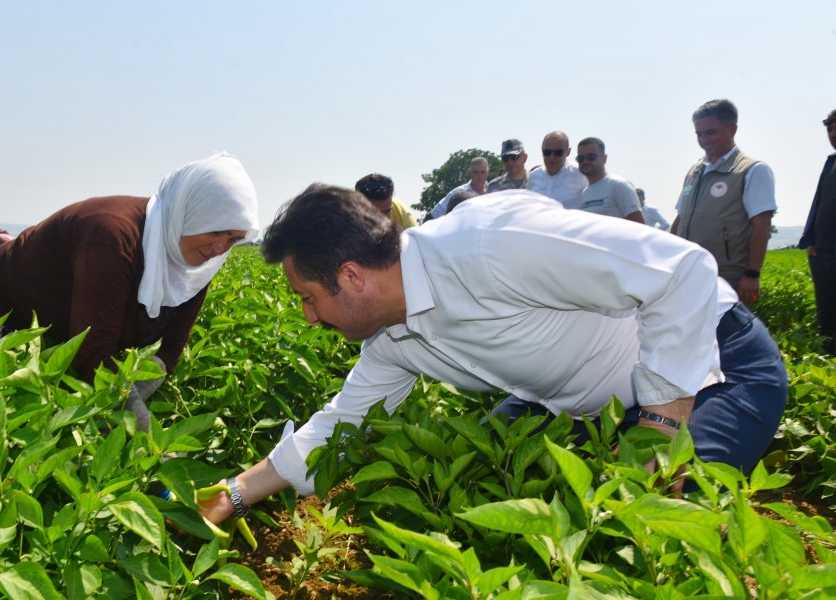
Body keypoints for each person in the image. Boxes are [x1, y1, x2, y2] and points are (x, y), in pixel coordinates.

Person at [199, 186, 786, 521]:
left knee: (659, 519)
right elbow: (340, 423)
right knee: (479, 480)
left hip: (713, 364)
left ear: (350, 276)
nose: (307, 317)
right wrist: (231, 494)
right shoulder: (394, 337)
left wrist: (661, 425)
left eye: (307, 298)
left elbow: (682, 270)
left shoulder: (489, 247)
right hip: (584, 401)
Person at [0, 152, 259, 431]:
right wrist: (156, 448)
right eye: (215, 231)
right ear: (188, 213)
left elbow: (170, 351)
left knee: (80, 410)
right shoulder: (111, 238)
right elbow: (93, 357)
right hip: (9, 302)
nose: (220, 248)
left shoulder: (200, 264)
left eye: (233, 238)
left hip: (72, 327)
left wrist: (132, 399)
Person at [671, 99, 776, 305]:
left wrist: (752, 274)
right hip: (689, 272)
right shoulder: (695, 171)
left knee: (725, 335)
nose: (704, 139)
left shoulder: (752, 170)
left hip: (728, 275)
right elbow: (681, 218)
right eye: (699, 134)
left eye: (711, 132)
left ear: (732, 129)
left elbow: (761, 225)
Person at [798, 108, 836, 354]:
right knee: (827, 312)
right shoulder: (831, 162)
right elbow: (818, 202)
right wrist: (810, 238)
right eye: (829, 129)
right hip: (822, 252)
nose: (832, 134)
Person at [576, 137, 644, 223]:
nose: (585, 161)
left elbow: (639, 226)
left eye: (591, 156)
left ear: (604, 158)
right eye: (581, 158)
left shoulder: (619, 185)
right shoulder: (585, 193)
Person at [527, 131, 588, 209]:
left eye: (558, 152)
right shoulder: (534, 176)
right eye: (547, 152)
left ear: (568, 152)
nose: (552, 157)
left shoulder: (580, 173)